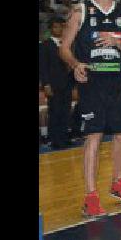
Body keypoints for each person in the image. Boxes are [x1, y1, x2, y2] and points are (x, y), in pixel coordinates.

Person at [58, 0, 121, 217]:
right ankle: (91, 196)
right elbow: (63, 48)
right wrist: (75, 65)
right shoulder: (80, 11)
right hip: (92, 82)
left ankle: (118, 183)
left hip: (117, 81)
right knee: (93, 136)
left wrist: (117, 42)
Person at [40, 17, 76, 149]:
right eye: (55, 27)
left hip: (67, 83)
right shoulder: (45, 45)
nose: (58, 29)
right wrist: (46, 84)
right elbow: (43, 67)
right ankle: (55, 140)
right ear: (51, 29)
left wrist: (74, 82)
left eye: (60, 27)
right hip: (53, 85)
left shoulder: (67, 44)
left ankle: (64, 137)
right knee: (55, 112)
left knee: (65, 112)